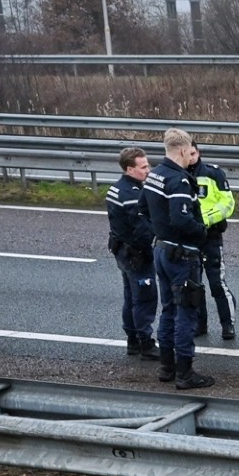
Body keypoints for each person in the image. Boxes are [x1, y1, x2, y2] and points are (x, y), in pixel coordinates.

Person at [140, 127, 215, 391]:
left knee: (169, 309)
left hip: (161, 250)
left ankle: (167, 368)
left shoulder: (155, 175)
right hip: (182, 255)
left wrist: (161, 233)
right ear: (183, 150)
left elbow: (142, 209)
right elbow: (182, 218)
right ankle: (185, 373)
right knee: (186, 312)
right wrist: (202, 232)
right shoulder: (179, 180)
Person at [104, 146, 157, 359]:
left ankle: (132, 340)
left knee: (130, 297)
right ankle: (146, 344)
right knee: (144, 298)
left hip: (121, 251)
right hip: (137, 255)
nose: (149, 170)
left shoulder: (114, 189)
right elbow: (143, 230)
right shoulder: (133, 195)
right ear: (129, 169)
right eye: (143, 167)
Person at [185, 140, 237, 342]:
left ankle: (228, 324)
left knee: (217, 283)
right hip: (189, 238)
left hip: (210, 236)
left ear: (198, 152)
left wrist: (204, 220)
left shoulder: (213, 173)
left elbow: (228, 203)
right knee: (194, 283)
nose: (190, 157)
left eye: (193, 153)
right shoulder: (178, 175)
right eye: (186, 153)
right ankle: (200, 324)